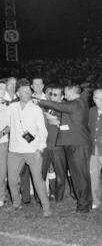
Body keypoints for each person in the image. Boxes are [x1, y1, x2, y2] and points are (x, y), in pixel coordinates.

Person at [39, 85, 92, 213]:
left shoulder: (75, 104)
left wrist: (39, 101)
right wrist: (86, 87)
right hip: (76, 144)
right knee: (81, 175)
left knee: (79, 176)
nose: (65, 96)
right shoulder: (82, 100)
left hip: (77, 145)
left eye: (67, 93)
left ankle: (83, 206)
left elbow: (58, 106)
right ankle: (85, 202)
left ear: (74, 93)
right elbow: (87, 90)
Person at [7, 79, 51, 217]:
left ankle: (46, 207)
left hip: (32, 150)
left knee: (38, 179)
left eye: (28, 91)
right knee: (12, 179)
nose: (26, 93)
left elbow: (43, 131)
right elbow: (5, 122)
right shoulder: (11, 108)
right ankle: (16, 203)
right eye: (23, 91)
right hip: (14, 150)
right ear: (18, 93)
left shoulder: (36, 109)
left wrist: (40, 148)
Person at [41, 86, 67, 201]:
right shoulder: (45, 108)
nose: (52, 96)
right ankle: (40, 196)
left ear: (62, 97)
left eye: (55, 95)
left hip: (58, 146)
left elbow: (69, 125)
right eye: (51, 94)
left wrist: (56, 121)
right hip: (44, 145)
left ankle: (59, 197)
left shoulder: (65, 109)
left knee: (60, 173)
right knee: (41, 173)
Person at [88, 88, 102, 209]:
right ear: (93, 99)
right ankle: (96, 200)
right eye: (98, 98)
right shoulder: (91, 111)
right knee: (93, 175)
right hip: (93, 149)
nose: (101, 101)